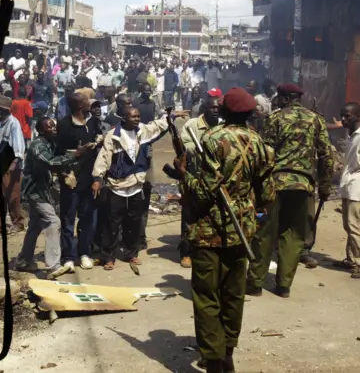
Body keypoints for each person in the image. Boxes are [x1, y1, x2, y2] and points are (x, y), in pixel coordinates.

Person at [174, 87, 276, 373]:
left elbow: (203, 191)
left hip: (210, 231)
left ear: (226, 111)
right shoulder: (261, 145)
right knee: (233, 294)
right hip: (242, 230)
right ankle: (228, 352)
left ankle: (214, 359)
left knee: (207, 296)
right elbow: (268, 195)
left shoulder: (211, 139)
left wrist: (184, 177)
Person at [247, 83, 333, 298]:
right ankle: (283, 285)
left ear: (285, 98)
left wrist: (255, 184)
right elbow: (326, 155)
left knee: (265, 232)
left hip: (275, 184)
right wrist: (325, 186)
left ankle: (256, 283)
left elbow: (264, 153)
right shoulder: (316, 120)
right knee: (293, 235)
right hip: (302, 186)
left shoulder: (274, 119)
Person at [92, 106, 172, 271]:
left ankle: (131, 253)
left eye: (138, 116)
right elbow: (104, 157)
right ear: (123, 118)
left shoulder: (142, 131)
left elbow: (158, 126)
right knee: (112, 224)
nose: (137, 119)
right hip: (117, 186)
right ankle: (108, 256)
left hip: (136, 186)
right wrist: (97, 178)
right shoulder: (113, 136)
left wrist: (169, 116)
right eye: (133, 117)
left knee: (134, 222)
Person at [16, 117, 82, 276]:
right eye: (49, 127)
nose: (54, 129)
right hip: (35, 192)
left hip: (43, 191)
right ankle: (53, 265)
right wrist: (75, 155)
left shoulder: (50, 143)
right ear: (41, 131)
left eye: (54, 126)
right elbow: (50, 162)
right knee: (53, 222)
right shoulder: (38, 146)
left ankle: (24, 260)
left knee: (35, 226)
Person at [53, 92, 101, 277]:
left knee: (88, 219)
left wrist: (98, 178)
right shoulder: (64, 124)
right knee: (68, 220)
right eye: (86, 101)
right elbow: (58, 152)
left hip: (89, 179)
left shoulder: (93, 123)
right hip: (71, 179)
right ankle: (68, 256)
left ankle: (85, 253)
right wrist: (64, 172)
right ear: (80, 106)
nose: (90, 103)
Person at [178, 95, 222, 268]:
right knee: (189, 217)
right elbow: (185, 147)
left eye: (218, 107)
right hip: (193, 177)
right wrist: (204, 149)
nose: (216, 110)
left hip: (214, 179)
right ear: (205, 109)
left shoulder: (221, 125)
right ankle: (186, 253)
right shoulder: (192, 125)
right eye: (213, 107)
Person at [0, 96, 26, 236]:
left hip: (12, 166)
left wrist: (12, 167)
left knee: (12, 196)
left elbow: (18, 148)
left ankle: (18, 222)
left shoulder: (13, 124)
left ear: (3, 109)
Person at [335, 102, 360, 278]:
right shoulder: (352, 136)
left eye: (348, 116)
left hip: (356, 187)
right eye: (342, 115)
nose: (343, 119)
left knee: (354, 226)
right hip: (348, 186)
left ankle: (359, 262)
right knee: (348, 225)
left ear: (358, 117)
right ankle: (351, 259)